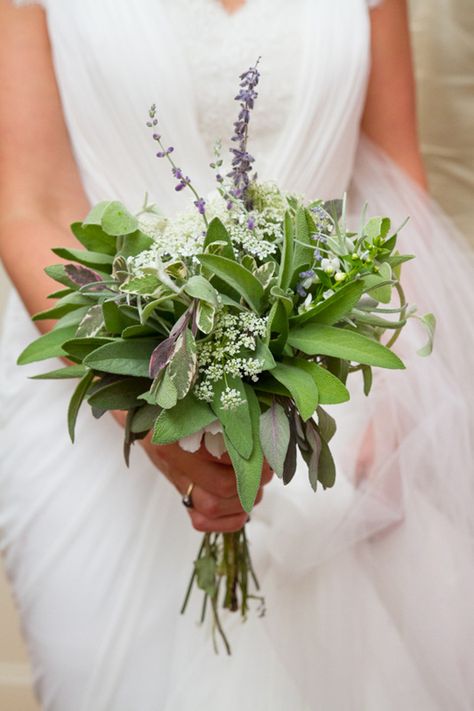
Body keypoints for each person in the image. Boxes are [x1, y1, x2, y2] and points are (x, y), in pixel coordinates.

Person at [0, 1, 473, 709]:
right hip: (102, 397)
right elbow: (30, 201)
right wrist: (152, 425)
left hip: (332, 395)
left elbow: (392, 175)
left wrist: (404, 401)